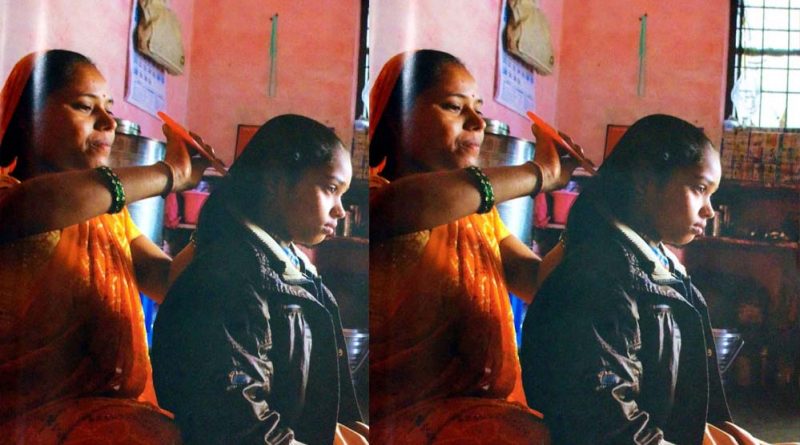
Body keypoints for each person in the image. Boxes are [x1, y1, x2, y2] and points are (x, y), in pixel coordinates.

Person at [519, 114, 797, 445]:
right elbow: (606, 425)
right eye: (700, 189)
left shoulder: (653, 265)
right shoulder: (600, 276)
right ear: (645, 180)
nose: (709, 210)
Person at [368, 49, 579, 444]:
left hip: (480, 418)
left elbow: (536, 281)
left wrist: (585, 221)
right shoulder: (380, 199)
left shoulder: (479, 216)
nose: (478, 122)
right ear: (398, 119)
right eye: (454, 106)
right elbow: (424, 202)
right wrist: (541, 173)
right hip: (401, 423)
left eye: (479, 109)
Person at [0, 50, 208, 442]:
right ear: (29, 118)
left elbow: (166, 281)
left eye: (109, 108)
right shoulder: (11, 196)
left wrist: (218, 220)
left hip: (105, 418)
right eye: (84, 106)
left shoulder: (109, 217)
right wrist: (170, 173)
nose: (109, 122)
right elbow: (44, 204)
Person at [151, 114, 368, 445]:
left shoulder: (285, 266)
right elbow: (237, 423)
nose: (340, 209)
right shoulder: (229, 278)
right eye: (330, 188)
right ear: (276, 181)